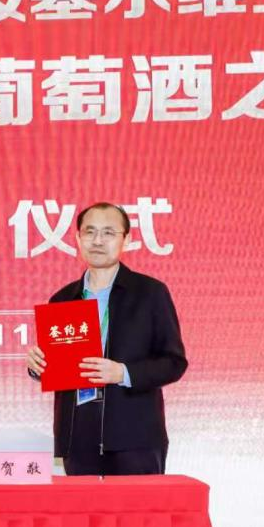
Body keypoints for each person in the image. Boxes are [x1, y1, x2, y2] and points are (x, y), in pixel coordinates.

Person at [26, 202, 186, 475]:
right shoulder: (63, 299)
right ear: (78, 239)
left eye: (108, 233)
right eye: (89, 232)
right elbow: (59, 368)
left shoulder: (149, 293)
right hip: (78, 435)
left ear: (127, 239)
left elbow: (174, 362)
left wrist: (123, 373)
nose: (97, 241)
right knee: (83, 504)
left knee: (136, 505)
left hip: (134, 435)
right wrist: (38, 367)